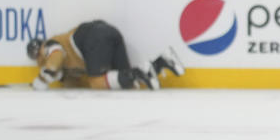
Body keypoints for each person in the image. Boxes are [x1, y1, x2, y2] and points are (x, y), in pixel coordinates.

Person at [27, 20, 185, 91]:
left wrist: (42, 79)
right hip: (108, 33)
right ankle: (162, 61)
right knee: (127, 81)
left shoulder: (49, 44)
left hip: (91, 36)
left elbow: (56, 57)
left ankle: (141, 71)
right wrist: (60, 76)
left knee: (96, 83)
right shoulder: (65, 66)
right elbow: (72, 83)